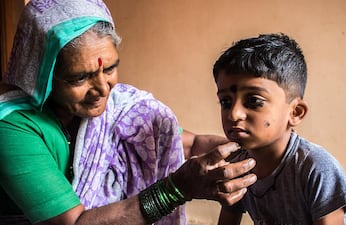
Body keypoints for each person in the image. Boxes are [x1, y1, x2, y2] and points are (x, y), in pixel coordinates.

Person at [0, 0, 257, 224]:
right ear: (40, 74)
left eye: (110, 68)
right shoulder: (11, 127)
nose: (102, 88)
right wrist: (177, 189)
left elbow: (187, 145)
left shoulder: (120, 107)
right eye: (80, 78)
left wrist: (251, 152)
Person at [213, 33, 346, 225]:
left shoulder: (316, 167)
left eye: (254, 101)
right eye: (225, 102)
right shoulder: (237, 166)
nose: (234, 114)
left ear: (295, 112)